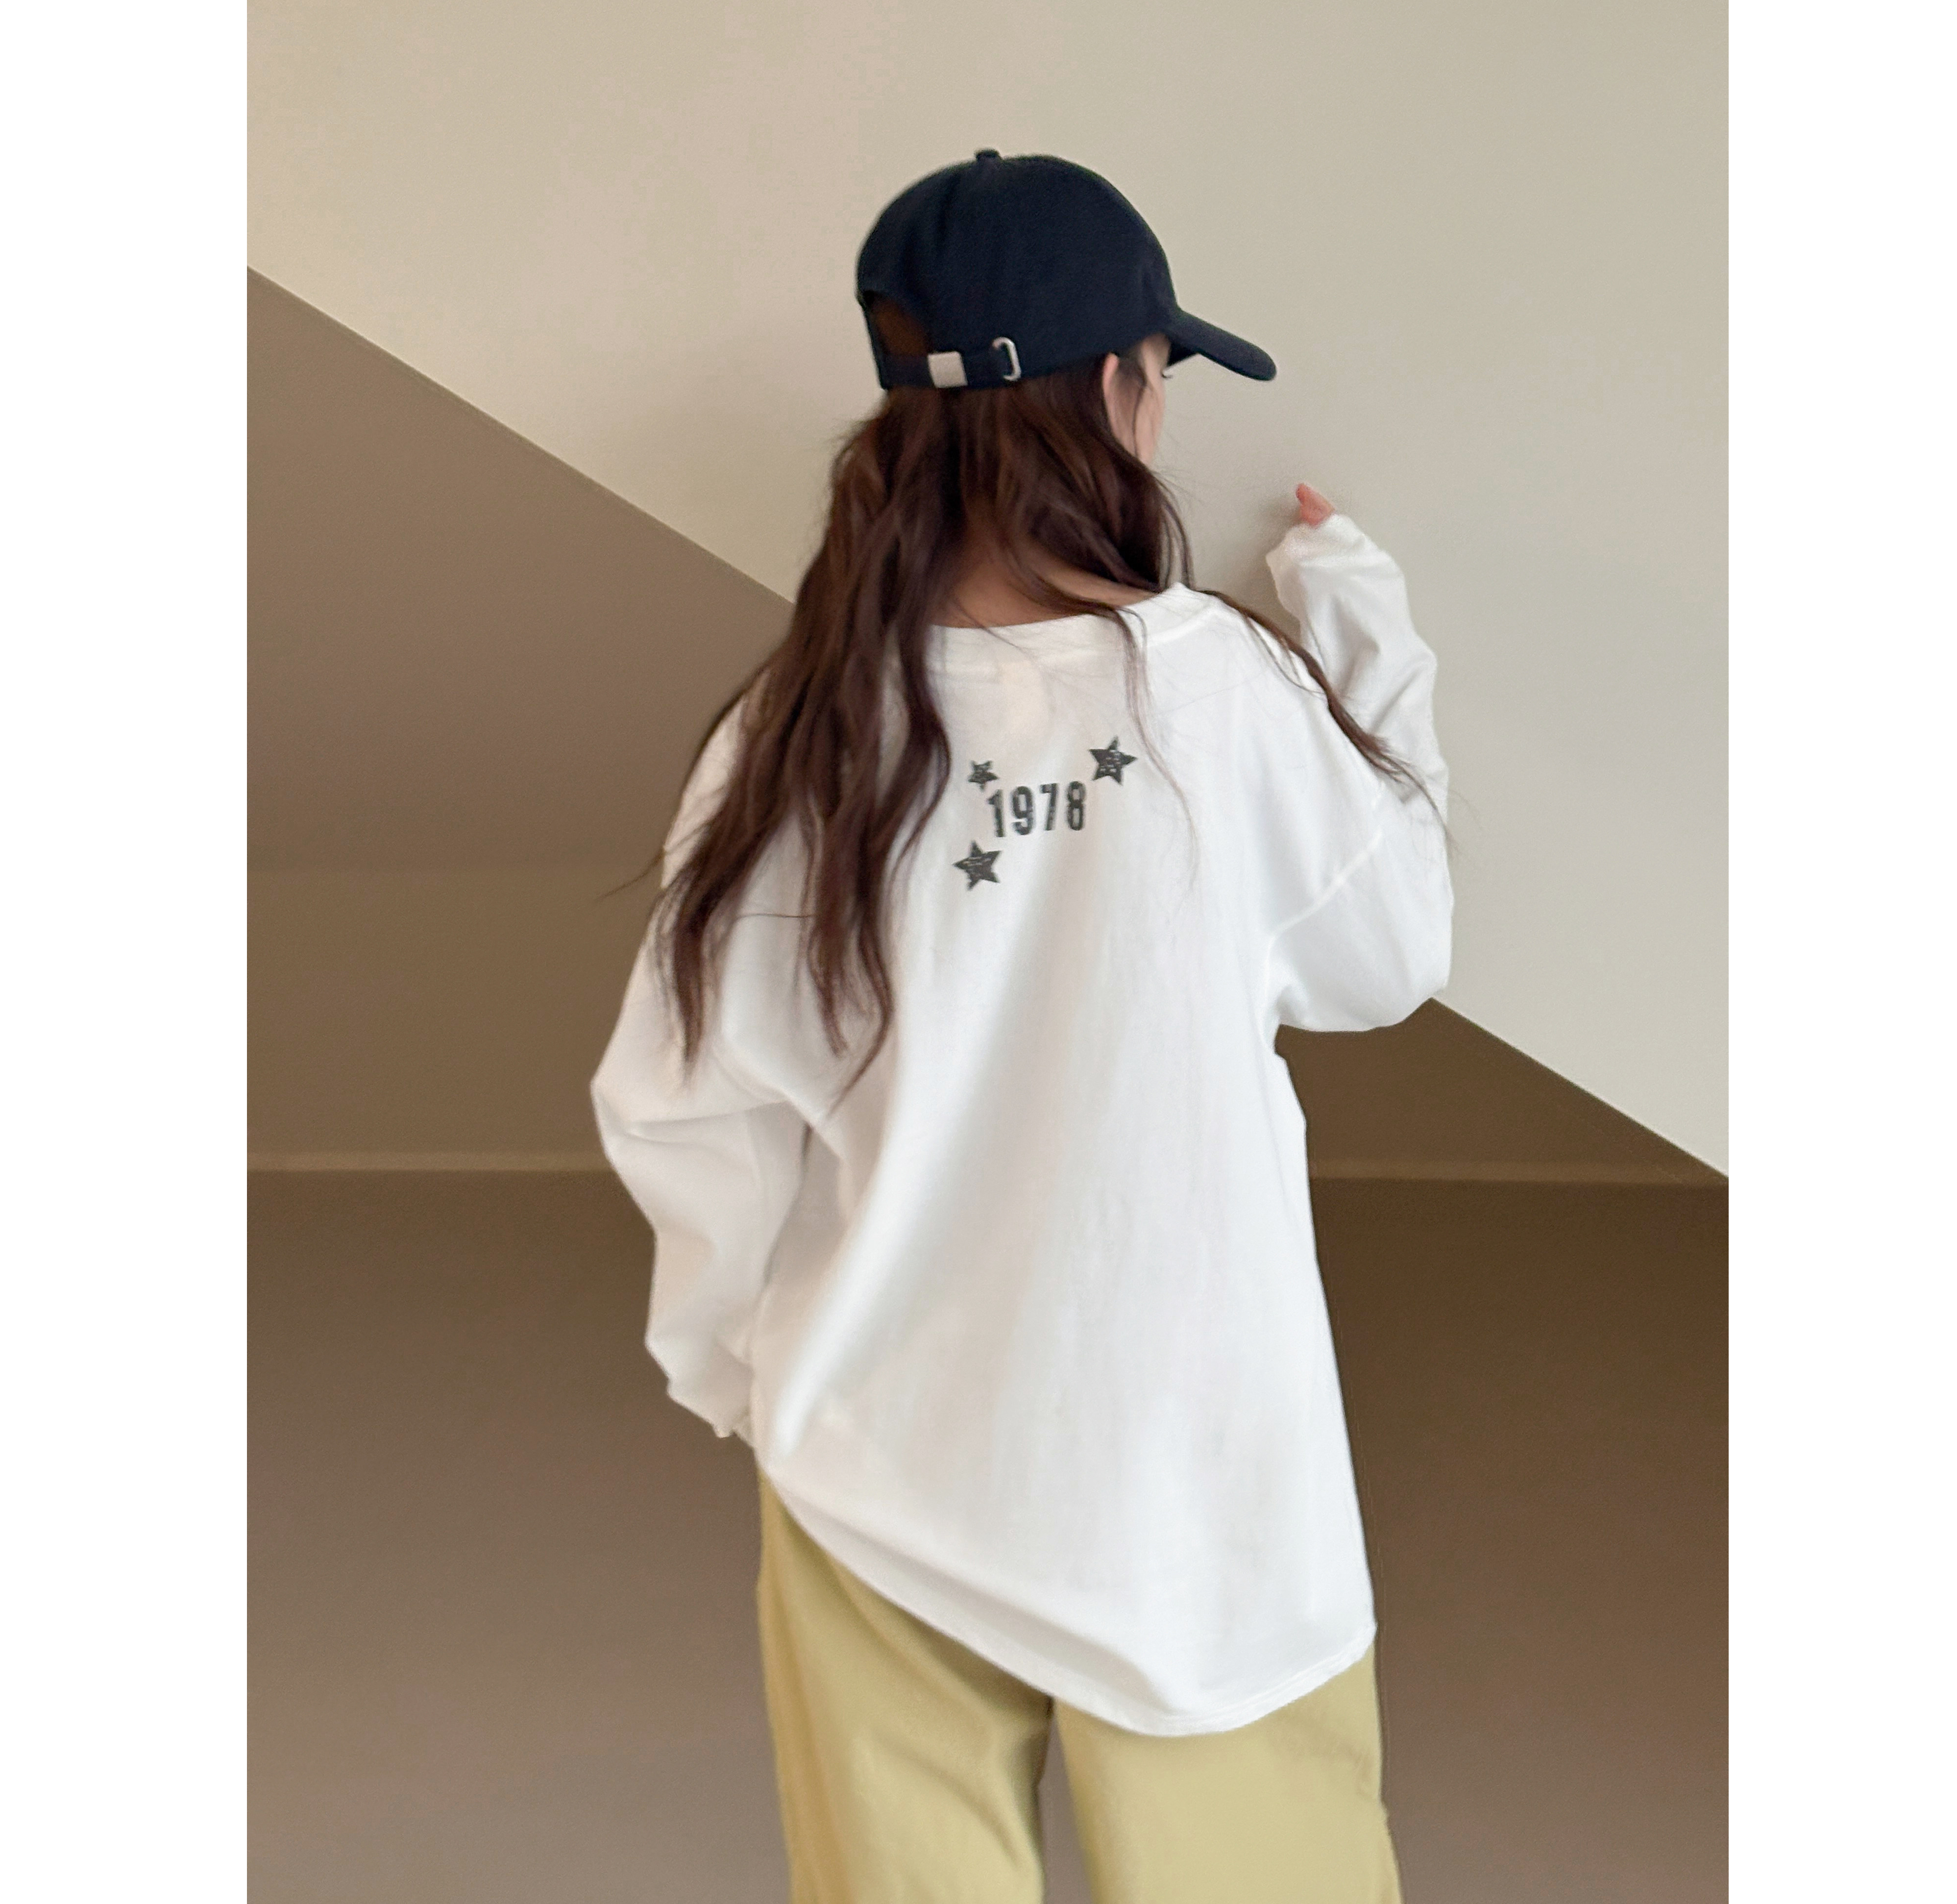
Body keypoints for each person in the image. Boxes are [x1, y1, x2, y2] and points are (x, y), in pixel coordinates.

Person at [592, 148, 1452, 1904]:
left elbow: (685, 1100)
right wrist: (1365, 637)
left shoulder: (801, 728)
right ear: (1121, 388)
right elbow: (1388, 958)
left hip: (879, 1446)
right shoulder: (1222, 688)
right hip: (1196, 1473)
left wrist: (744, 1368)